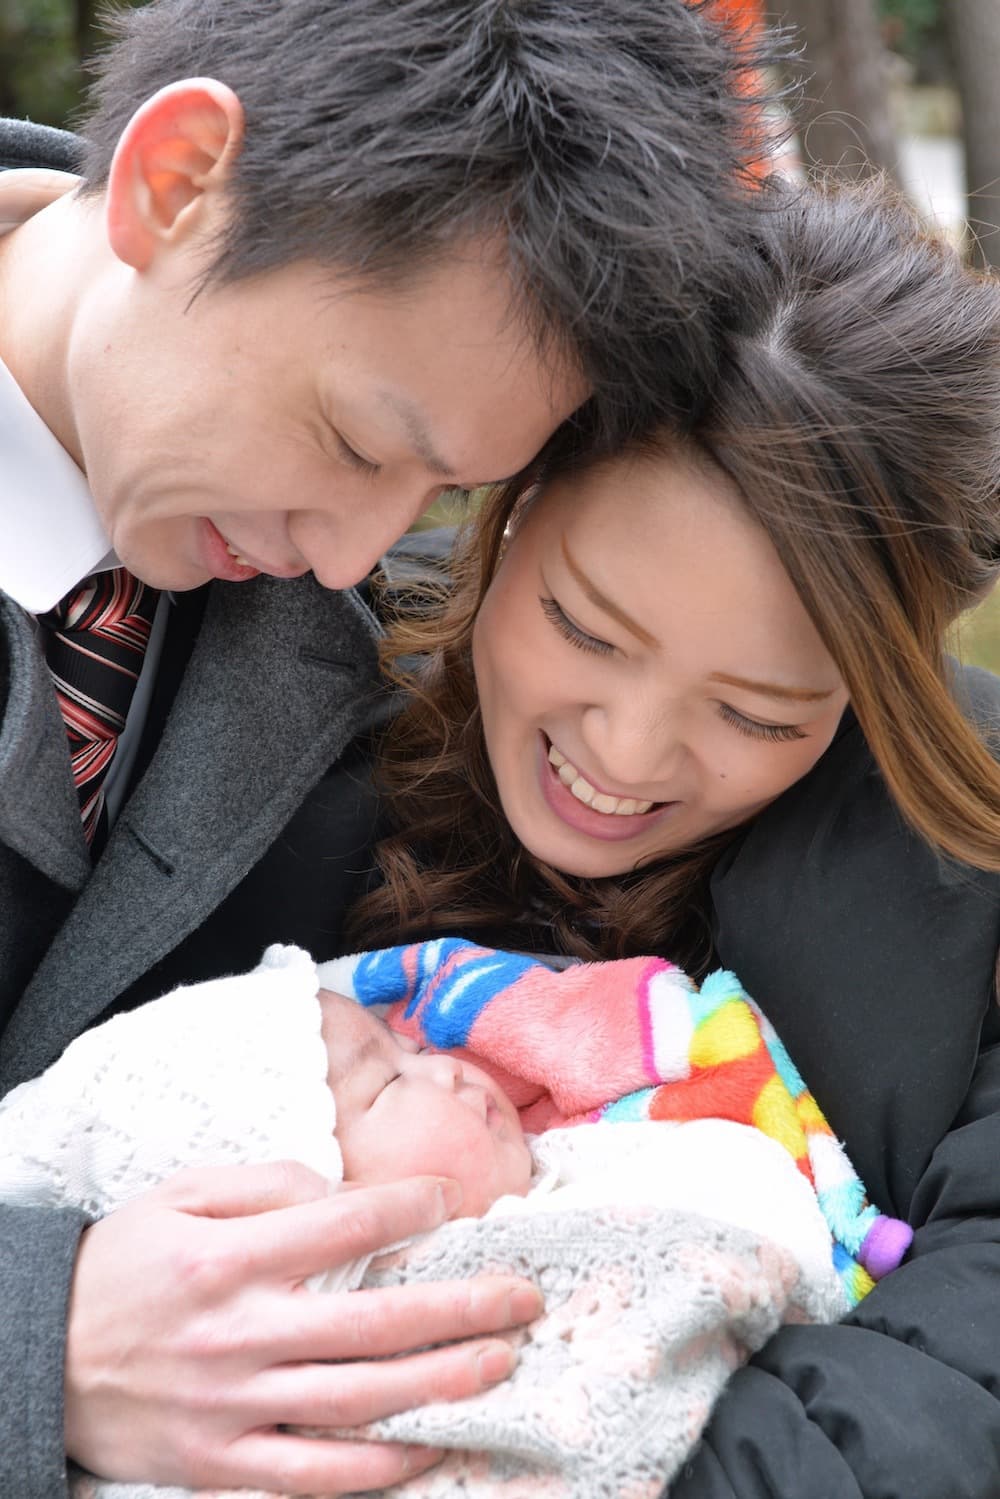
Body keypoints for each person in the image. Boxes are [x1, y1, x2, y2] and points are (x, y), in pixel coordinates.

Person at [0, 0, 781, 1491]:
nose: (352, 545)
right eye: (360, 440)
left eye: (435, 492)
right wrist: (39, 1334)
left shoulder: (335, 628)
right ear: (176, 184)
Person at [334, 179, 1000, 1495]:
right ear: (513, 497)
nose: (626, 757)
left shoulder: (966, 861)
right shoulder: (288, 699)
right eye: (585, 628)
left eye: (754, 710)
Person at [0, 938, 899, 1498]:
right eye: (389, 1082)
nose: (450, 1066)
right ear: (288, 1223)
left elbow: (735, 1223)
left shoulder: (602, 1179)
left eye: (411, 1048)